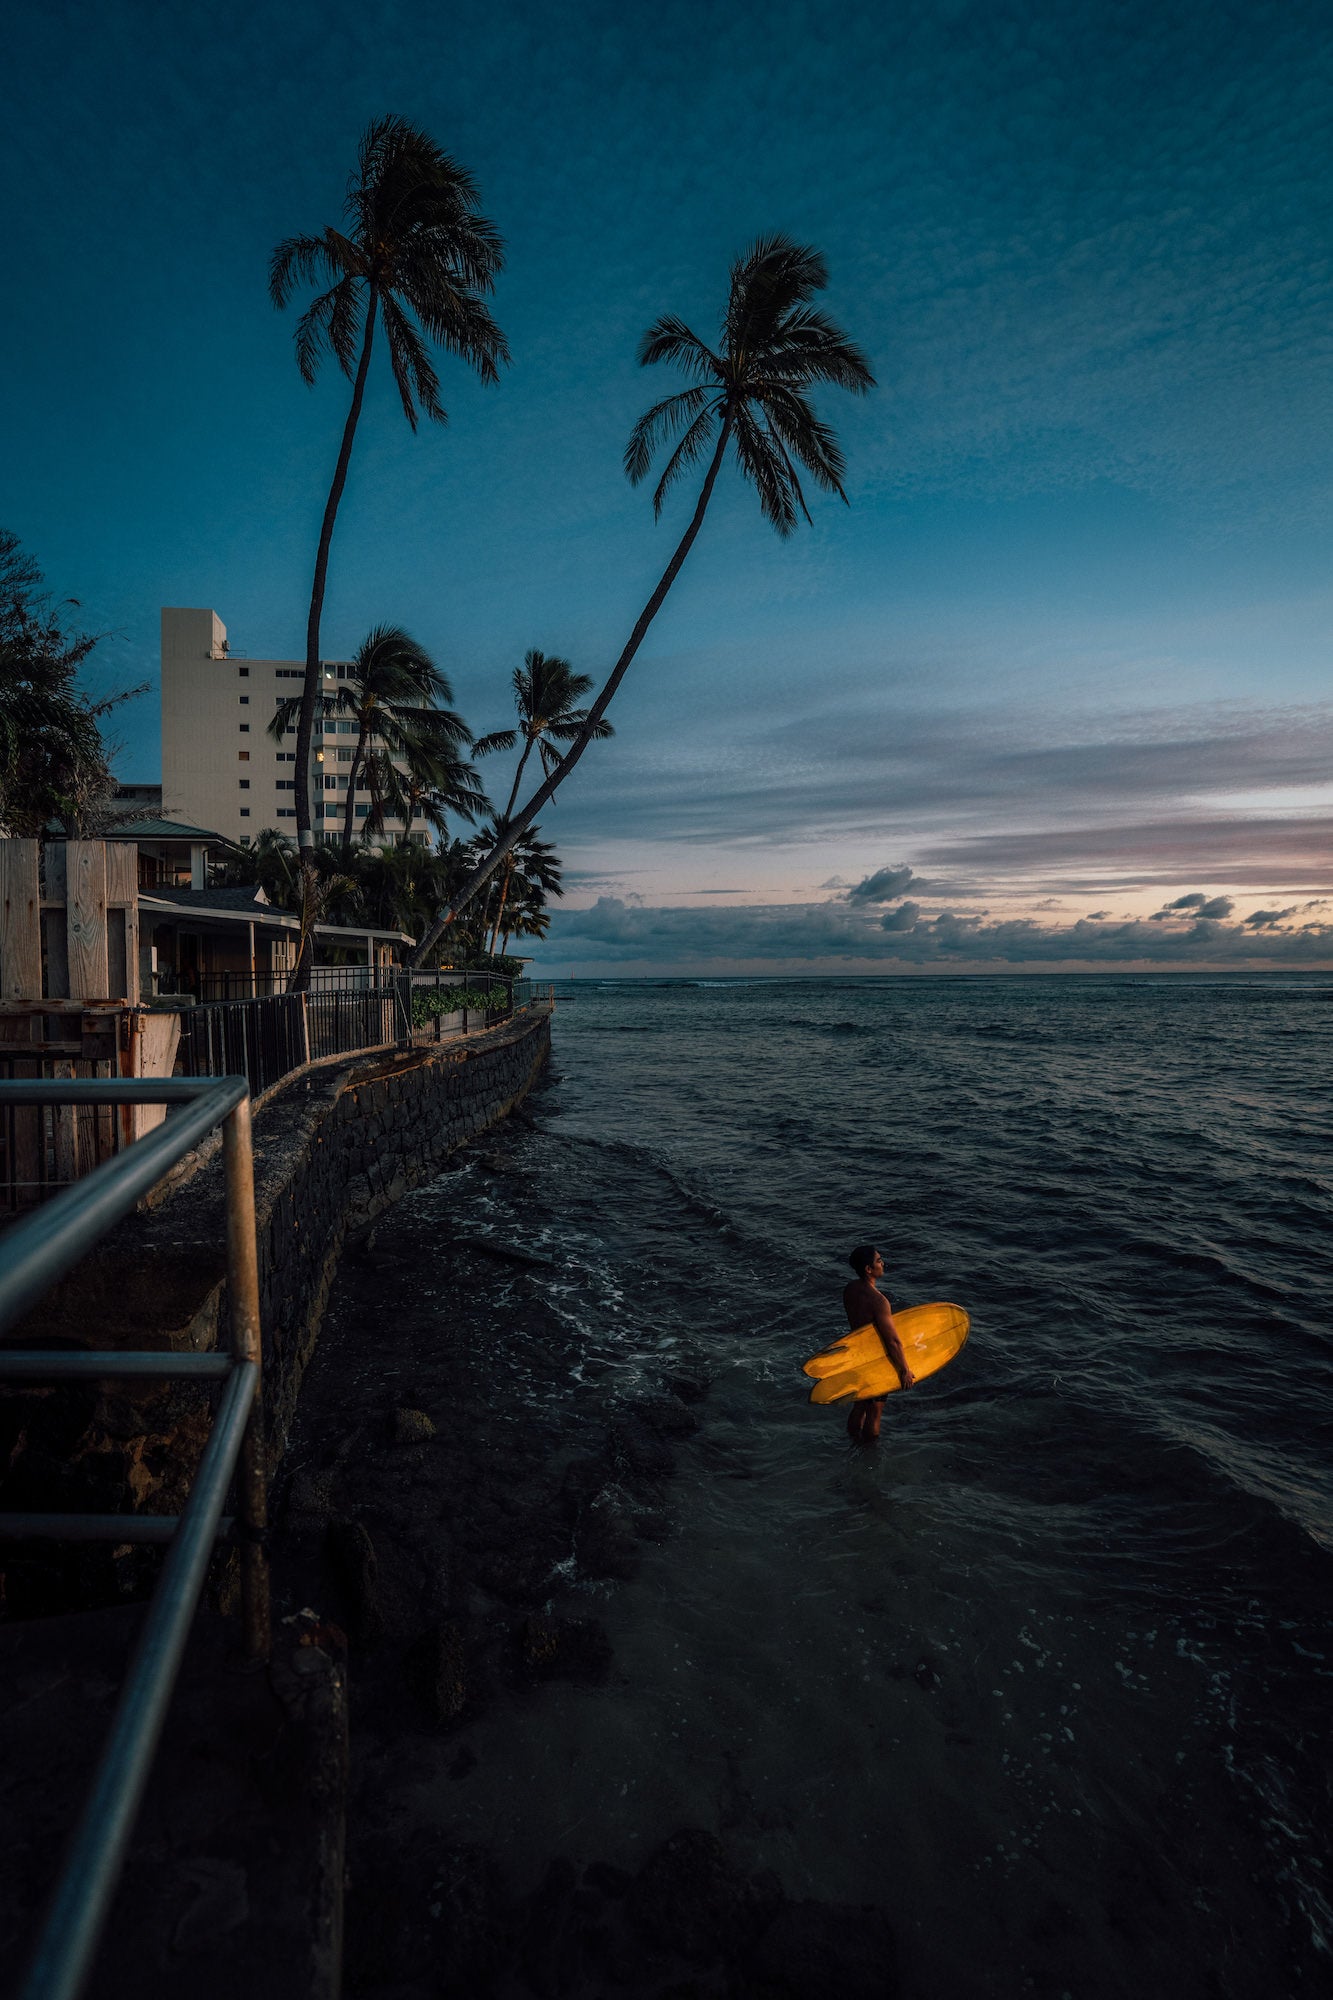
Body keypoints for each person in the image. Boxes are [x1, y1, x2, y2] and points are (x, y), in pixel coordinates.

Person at [842, 1245, 914, 1444]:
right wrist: (904, 1369)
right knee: (875, 1410)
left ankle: (851, 1441)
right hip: (876, 1360)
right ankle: (870, 1453)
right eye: (879, 1260)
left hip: (858, 1356)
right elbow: (892, 1341)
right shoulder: (879, 1301)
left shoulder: (850, 1289)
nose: (883, 1264)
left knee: (860, 1404)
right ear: (868, 1269)